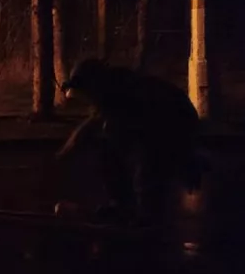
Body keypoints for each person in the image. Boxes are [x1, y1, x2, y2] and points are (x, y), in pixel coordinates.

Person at [56, 58, 204, 224]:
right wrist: (65, 151)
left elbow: (126, 141)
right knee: (115, 148)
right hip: (167, 123)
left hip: (174, 124)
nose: (86, 100)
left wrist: (185, 155)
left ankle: (144, 215)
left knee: (143, 164)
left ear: (93, 85)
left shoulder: (125, 95)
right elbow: (92, 122)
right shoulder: (113, 89)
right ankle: (131, 208)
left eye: (85, 93)